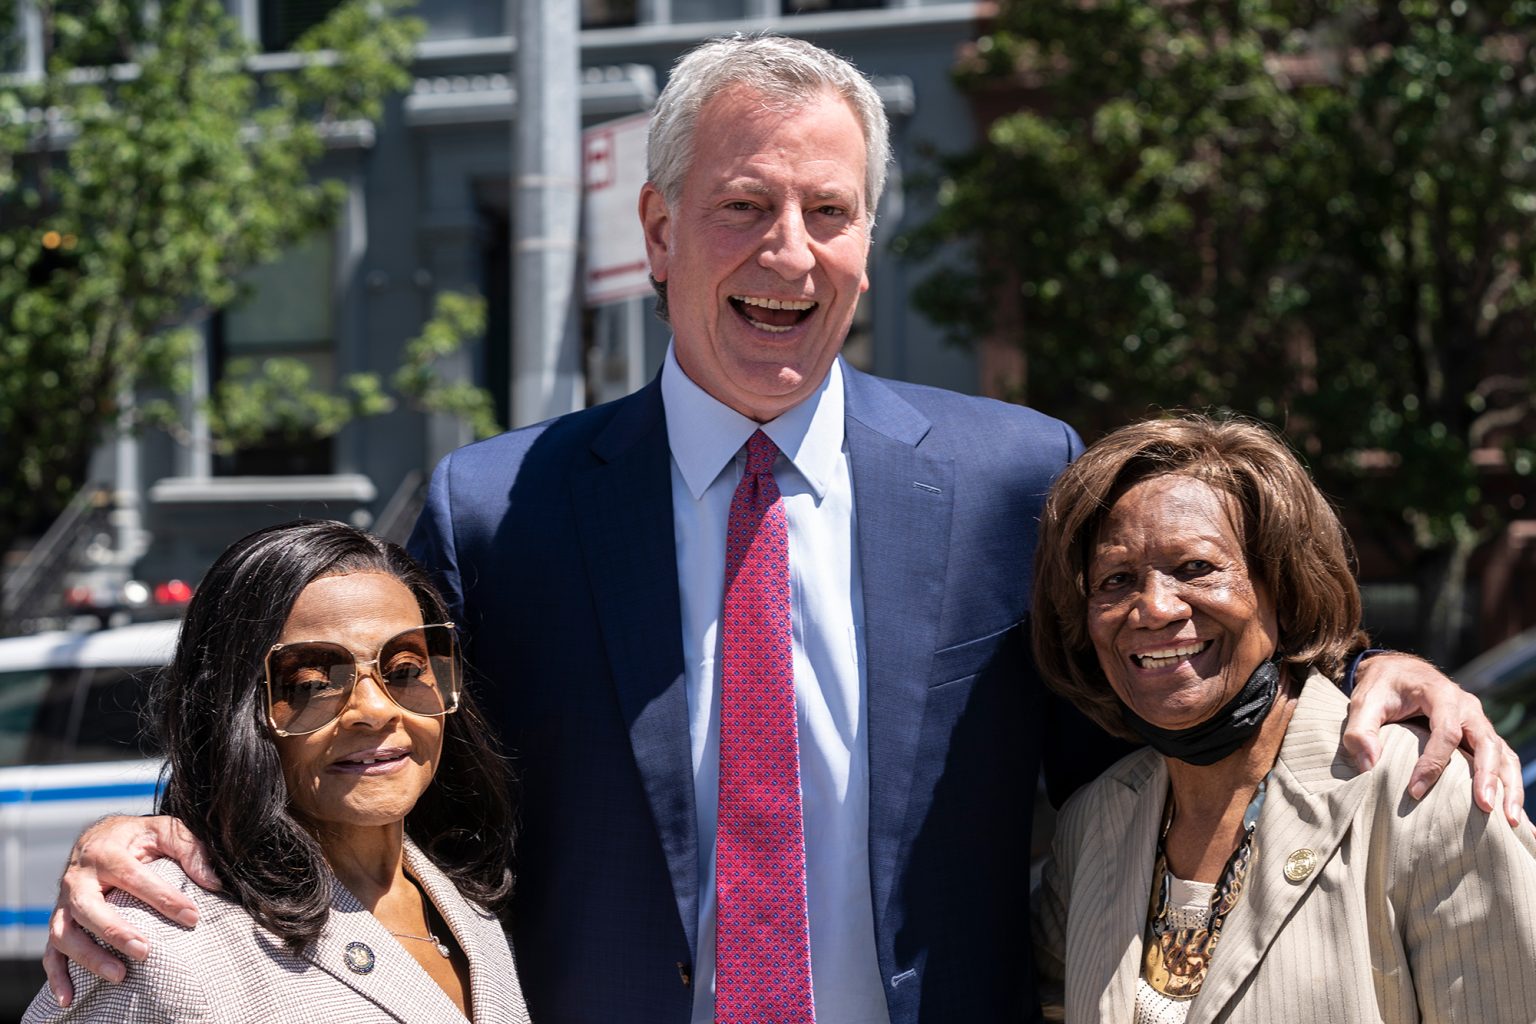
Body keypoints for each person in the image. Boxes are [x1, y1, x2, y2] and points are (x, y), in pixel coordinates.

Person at [43, 34, 1526, 1024]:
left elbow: (1158, 726)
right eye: (746, 206)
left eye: (831, 211)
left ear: (871, 243)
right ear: (661, 232)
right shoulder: (497, 509)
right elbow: (344, 754)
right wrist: (154, 839)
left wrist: (1369, 676)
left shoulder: (1019, 477)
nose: (790, 252)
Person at [1030, 416, 1536, 1023]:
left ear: (1282, 589)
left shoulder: (1421, 796)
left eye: (1195, 568)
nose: (1154, 608)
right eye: (1116, 580)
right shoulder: (1093, 825)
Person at [25, 521, 529, 1023]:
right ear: (235, 709)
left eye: (405, 671)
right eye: (312, 684)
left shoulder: (474, 900)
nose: (375, 710)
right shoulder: (161, 941)